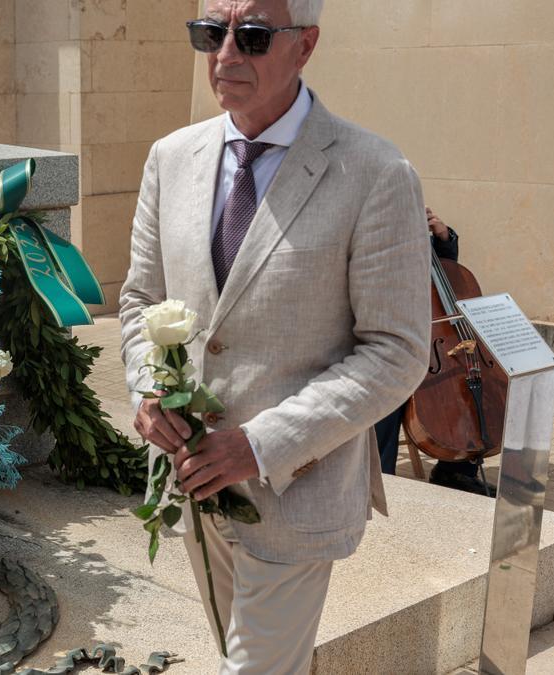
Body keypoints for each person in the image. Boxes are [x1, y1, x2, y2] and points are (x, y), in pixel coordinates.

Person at [118, 1, 430, 672]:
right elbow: (141, 300)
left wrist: (260, 445)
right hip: (189, 485)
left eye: (252, 36)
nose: (226, 53)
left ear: (305, 46)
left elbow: (398, 351)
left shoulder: (376, 174)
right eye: (210, 33)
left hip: (296, 493)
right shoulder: (170, 158)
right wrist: (149, 391)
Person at [374, 208, 495, 496]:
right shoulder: (371, 230)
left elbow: (447, 273)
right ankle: (380, 479)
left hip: (433, 344)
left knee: (463, 388)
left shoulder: (414, 224)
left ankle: (454, 471)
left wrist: (443, 237)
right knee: (387, 396)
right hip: (391, 342)